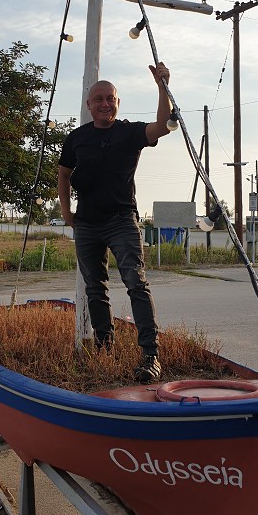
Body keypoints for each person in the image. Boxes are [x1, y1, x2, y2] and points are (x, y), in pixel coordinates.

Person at [58, 62, 172, 384]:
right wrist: (67, 213)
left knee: (136, 282)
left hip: (121, 220)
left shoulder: (129, 132)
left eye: (110, 98)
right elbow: (63, 174)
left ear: (117, 102)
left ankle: (150, 355)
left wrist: (162, 86)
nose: (105, 103)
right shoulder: (77, 138)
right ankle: (105, 347)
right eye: (99, 99)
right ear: (89, 105)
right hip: (87, 224)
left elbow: (162, 126)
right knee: (95, 288)